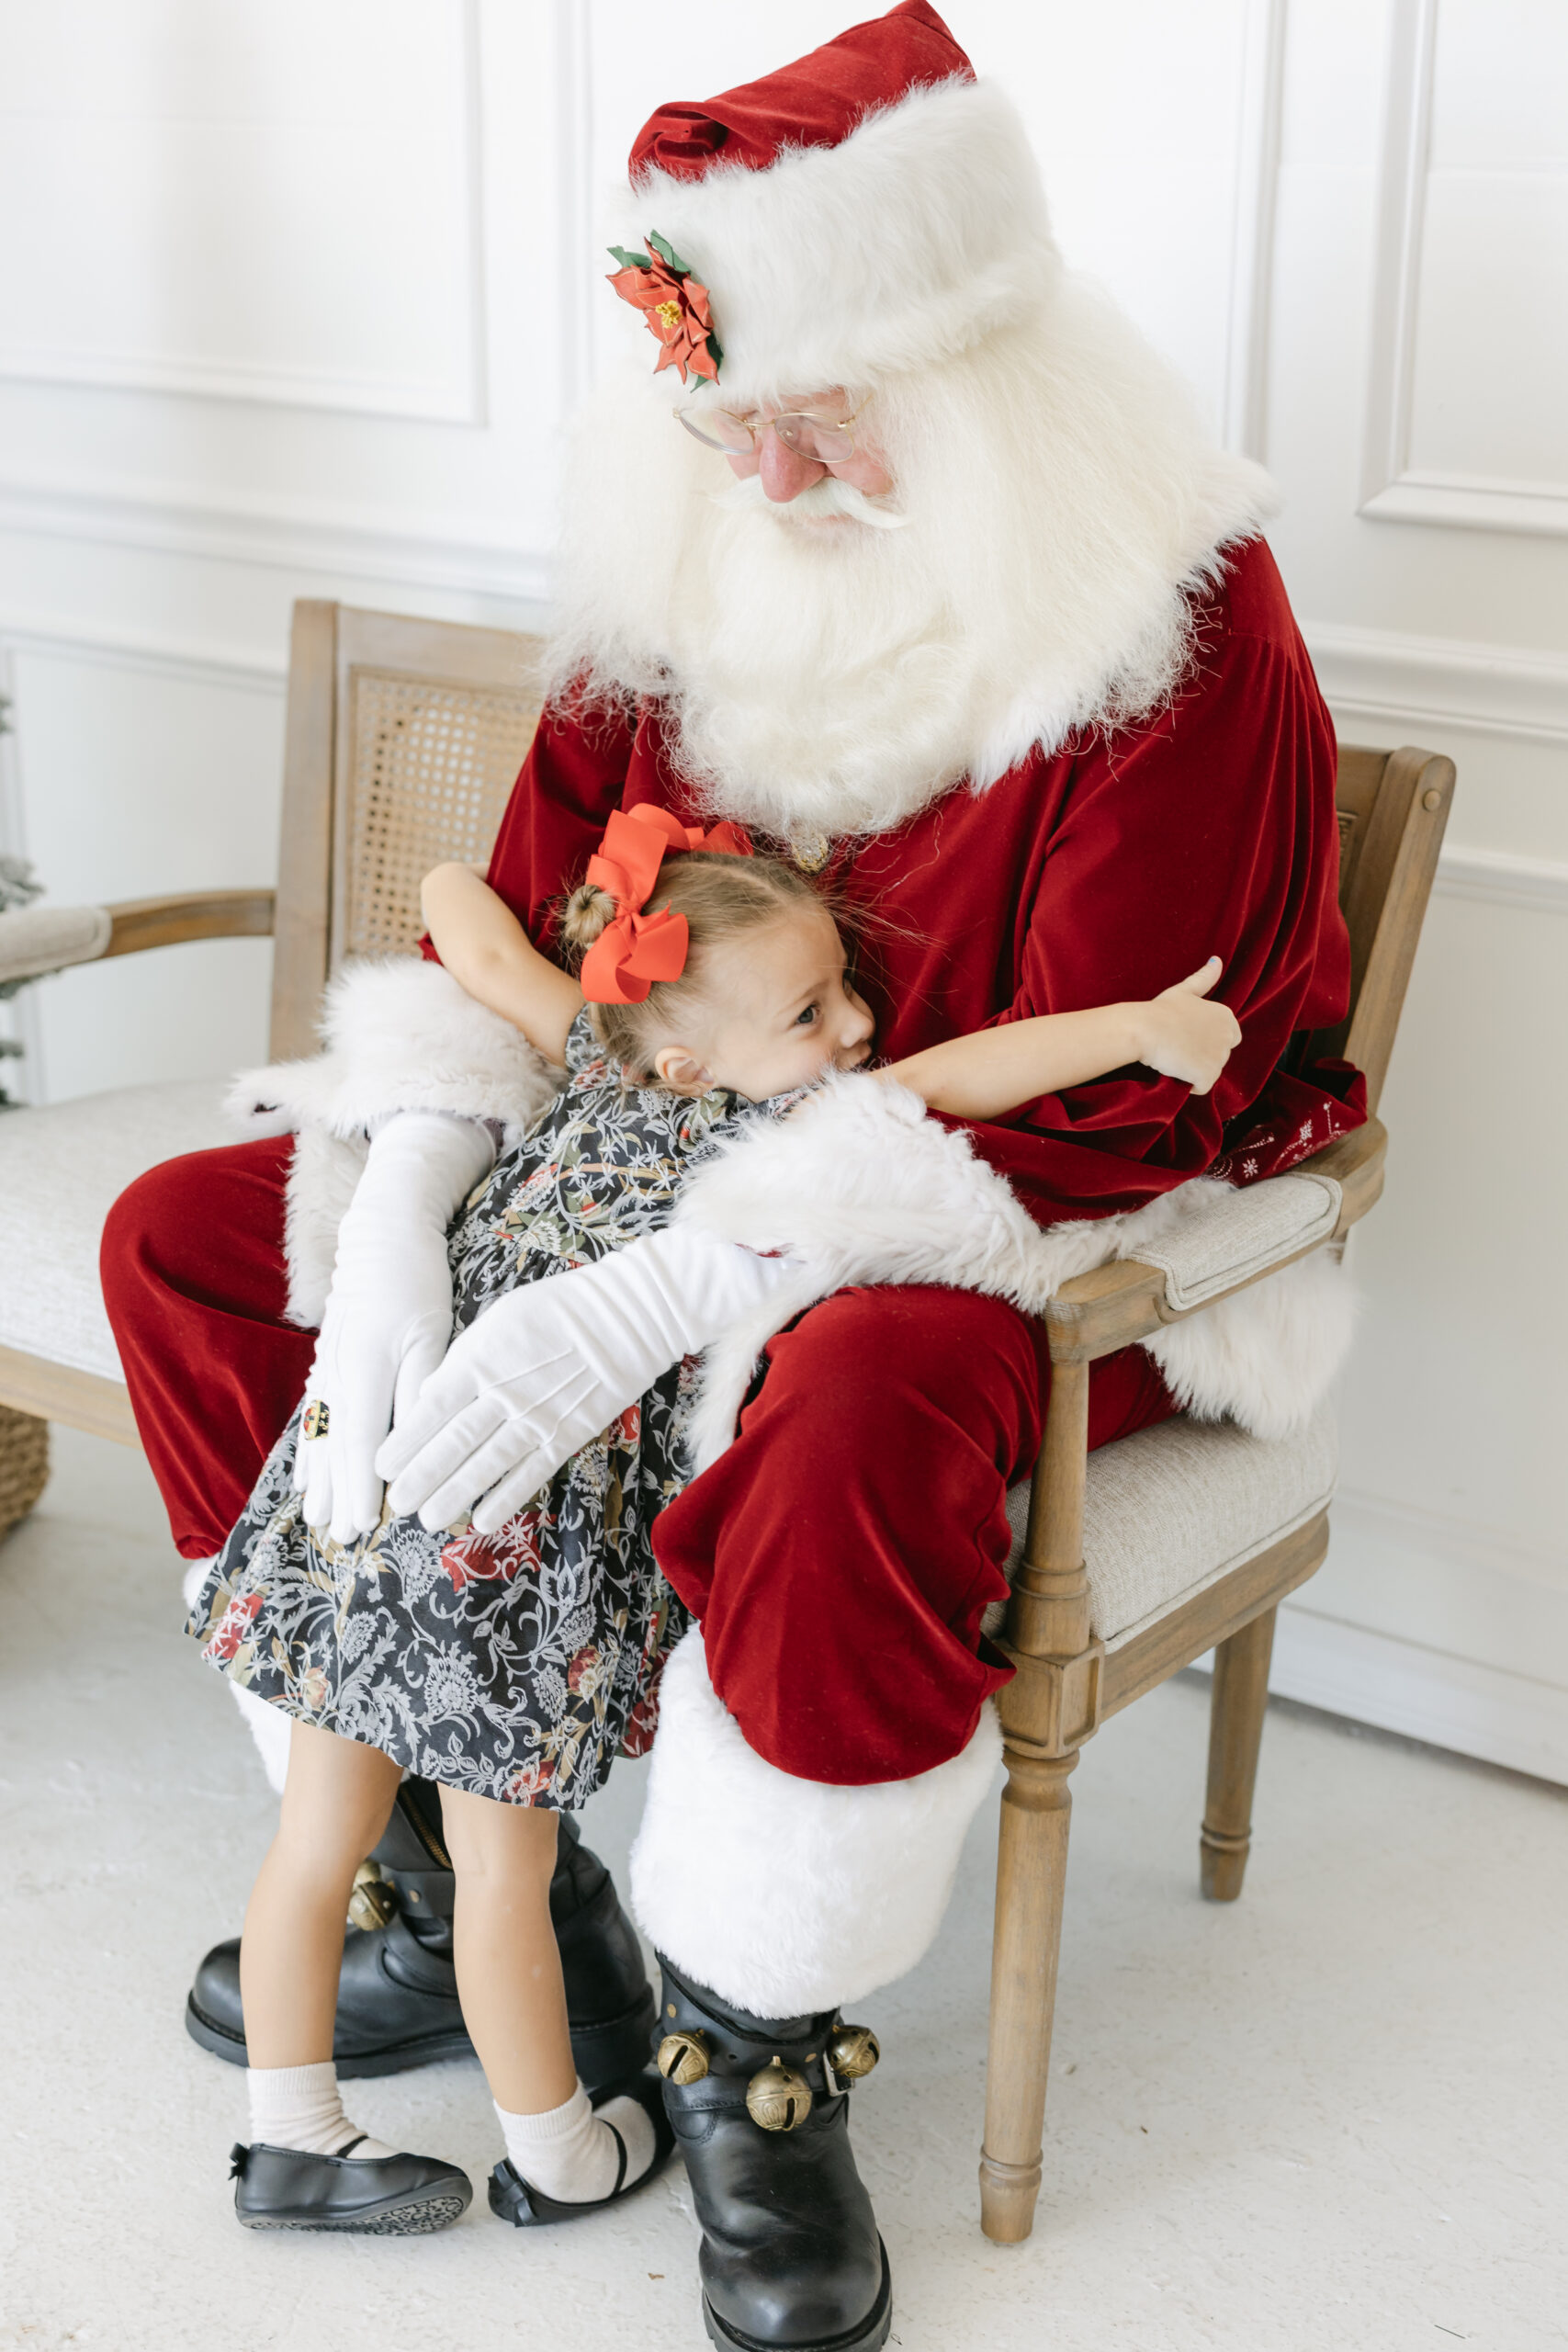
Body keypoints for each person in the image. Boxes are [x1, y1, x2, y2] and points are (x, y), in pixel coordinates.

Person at [103, 8, 1362, 2345]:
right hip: (638, 1155)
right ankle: (444, 1844)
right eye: (720, 411)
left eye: (826, 405)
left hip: (1009, 1229)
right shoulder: (689, 564)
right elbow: (518, 931)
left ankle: (758, 2043)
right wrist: (401, 1195)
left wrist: (666, 1285)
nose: (764, 466)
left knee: (863, 1390)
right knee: (190, 1239)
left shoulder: (1176, 619)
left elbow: (1093, 1118)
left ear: (982, 371)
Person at [200, 805, 1242, 2235]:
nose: (861, 1028)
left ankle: (288, 2136)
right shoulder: (785, 1135)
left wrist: (1128, 1017)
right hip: (511, 1529)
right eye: (815, 1008)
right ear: (686, 1054)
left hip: (375, 1472)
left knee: (316, 1838)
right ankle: (557, 2149)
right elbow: (964, 1078)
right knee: (500, 1867)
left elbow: (466, 918)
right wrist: (1132, 1024)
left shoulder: (597, 1050)